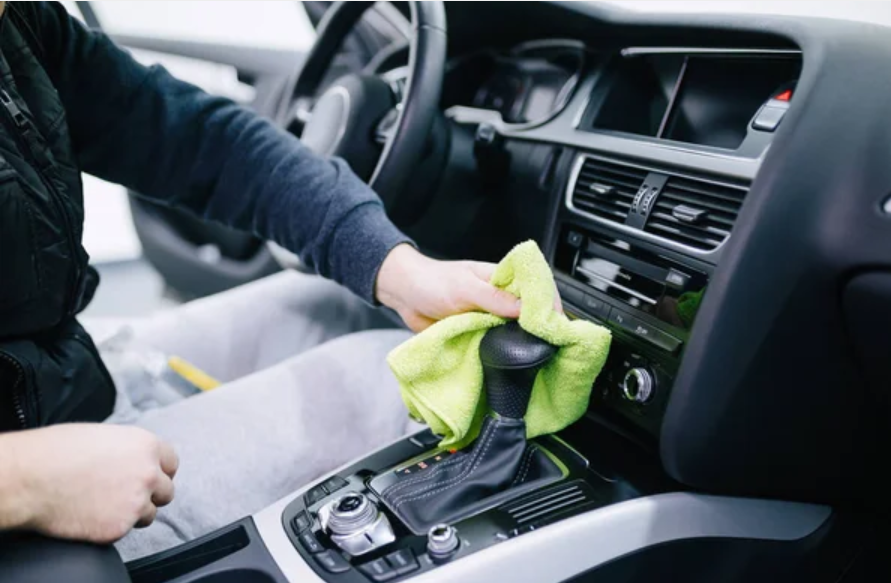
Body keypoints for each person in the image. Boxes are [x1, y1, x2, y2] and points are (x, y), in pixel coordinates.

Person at [0, 2, 522, 559]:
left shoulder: (19, 25)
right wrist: (29, 480)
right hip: (37, 500)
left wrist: (395, 267)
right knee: (386, 377)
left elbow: (194, 137)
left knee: (332, 303)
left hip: (56, 383)